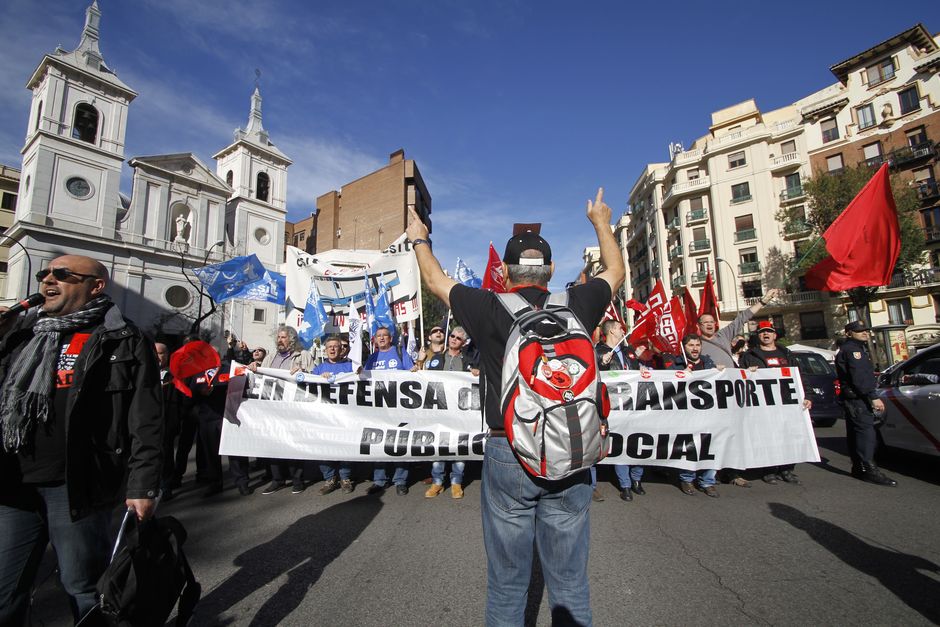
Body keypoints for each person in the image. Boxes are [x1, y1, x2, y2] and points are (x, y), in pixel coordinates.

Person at [407, 187, 624, 625]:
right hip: (574, 447)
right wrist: (600, 221)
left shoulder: (487, 306)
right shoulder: (577, 303)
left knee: (507, 585)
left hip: (508, 449)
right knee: (570, 585)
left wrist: (419, 238)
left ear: (505, 272)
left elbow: (434, 281)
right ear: (551, 271)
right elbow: (615, 272)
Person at [0, 255, 162, 625]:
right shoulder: (22, 333)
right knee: (6, 591)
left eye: (62, 274)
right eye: (44, 274)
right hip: (13, 483)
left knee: (84, 588)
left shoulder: (122, 338)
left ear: (96, 285)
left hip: (76, 484)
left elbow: (146, 418)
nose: (47, 281)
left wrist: (143, 485)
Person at [698, 289, 781, 488]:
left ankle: (733, 472)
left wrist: (763, 301)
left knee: (734, 433)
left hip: (732, 392)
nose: (709, 324)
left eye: (712, 321)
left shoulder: (723, 335)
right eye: (705, 322)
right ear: (699, 326)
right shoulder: (695, 343)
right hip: (711, 396)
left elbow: (743, 317)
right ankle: (710, 472)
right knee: (713, 435)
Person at [739, 321, 812, 485]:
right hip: (763, 405)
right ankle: (769, 470)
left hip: (788, 403)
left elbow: (800, 376)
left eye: (769, 332)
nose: (766, 335)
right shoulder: (749, 356)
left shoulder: (786, 353)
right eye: (762, 332)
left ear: (774, 335)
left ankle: (787, 469)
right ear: (758, 336)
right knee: (767, 437)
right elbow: (740, 380)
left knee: (788, 436)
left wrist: (807, 395)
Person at [248, 326, 314, 495]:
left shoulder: (303, 355)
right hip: (272, 407)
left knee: (293, 442)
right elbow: (261, 375)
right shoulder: (271, 357)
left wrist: (303, 372)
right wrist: (254, 367)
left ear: (291, 339)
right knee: (274, 443)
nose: (280, 340)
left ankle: (297, 478)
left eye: (283, 337)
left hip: (294, 408)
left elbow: (315, 377)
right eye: (278, 337)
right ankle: (277, 479)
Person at [835, 321, 897, 487]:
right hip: (858, 398)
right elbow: (860, 376)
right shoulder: (853, 350)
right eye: (859, 330)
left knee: (856, 432)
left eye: (865, 330)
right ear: (849, 333)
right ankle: (869, 469)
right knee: (865, 433)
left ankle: (859, 468)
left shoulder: (853, 349)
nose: (864, 333)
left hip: (853, 398)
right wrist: (872, 396)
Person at [595, 320, 643, 503]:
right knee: (618, 443)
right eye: (619, 327)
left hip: (631, 406)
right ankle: (625, 484)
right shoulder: (598, 351)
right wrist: (603, 364)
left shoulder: (627, 351)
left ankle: (636, 479)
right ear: (611, 332)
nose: (623, 329)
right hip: (611, 407)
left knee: (635, 441)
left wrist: (641, 366)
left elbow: (636, 373)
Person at [364, 326, 415, 495]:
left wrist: (415, 369)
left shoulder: (401, 353)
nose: (381, 338)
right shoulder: (371, 358)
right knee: (378, 443)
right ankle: (379, 480)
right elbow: (363, 380)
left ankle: (400, 480)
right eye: (378, 336)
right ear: (375, 340)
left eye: (384, 335)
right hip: (378, 409)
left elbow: (412, 374)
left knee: (399, 443)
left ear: (390, 338)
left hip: (399, 408)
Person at [424, 326, 473, 499]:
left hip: (460, 413)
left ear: (463, 342)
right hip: (440, 412)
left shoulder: (469, 360)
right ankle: (437, 482)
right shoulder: (437, 358)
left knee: (459, 445)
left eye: (458, 338)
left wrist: (475, 373)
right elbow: (425, 380)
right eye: (452, 335)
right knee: (439, 445)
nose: (453, 339)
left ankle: (456, 482)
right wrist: (418, 366)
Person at [674, 333, 722, 497]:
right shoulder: (676, 364)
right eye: (691, 345)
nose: (695, 349)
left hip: (709, 414)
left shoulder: (708, 363)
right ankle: (687, 478)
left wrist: (720, 372)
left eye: (697, 345)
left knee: (710, 446)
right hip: (687, 416)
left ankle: (707, 481)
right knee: (689, 447)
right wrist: (680, 374)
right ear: (684, 347)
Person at [314, 335, 356, 495]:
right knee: (324, 447)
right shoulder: (318, 369)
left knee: (345, 446)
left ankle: (345, 478)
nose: (332, 349)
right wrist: (317, 378)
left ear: (341, 349)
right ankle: (330, 479)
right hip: (324, 416)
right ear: (325, 350)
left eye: (335, 346)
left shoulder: (350, 366)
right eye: (329, 347)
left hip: (346, 414)